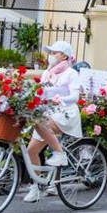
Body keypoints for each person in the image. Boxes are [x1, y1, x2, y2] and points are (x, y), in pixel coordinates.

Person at [25, 41, 78, 202]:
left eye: (55, 53)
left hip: (65, 113)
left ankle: (60, 153)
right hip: (47, 113)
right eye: (51, 52)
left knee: (40, 122)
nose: (51, 55)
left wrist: (60, 99)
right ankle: (36, 186)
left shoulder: (71, 73)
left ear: (64, 56)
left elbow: (75, 97)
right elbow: (40, 92)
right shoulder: (47, 73)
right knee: (31, 151)